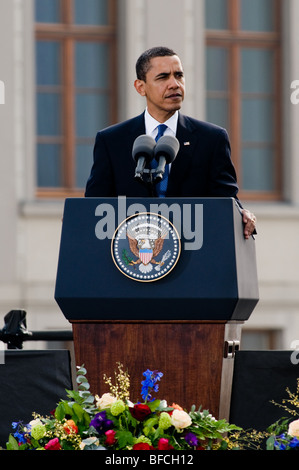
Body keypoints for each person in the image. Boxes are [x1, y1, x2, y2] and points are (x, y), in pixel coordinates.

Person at [85, 46, 256, 239]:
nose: (174, 84)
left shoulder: (212, 138)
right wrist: (80, 218)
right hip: (132, 254)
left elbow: (226, 200)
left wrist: (241, 213)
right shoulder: (112, 140)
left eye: (179, 75)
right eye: (163, 77)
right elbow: (95, 204)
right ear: (141, 87)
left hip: (194, 251)